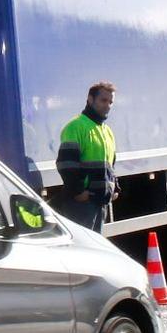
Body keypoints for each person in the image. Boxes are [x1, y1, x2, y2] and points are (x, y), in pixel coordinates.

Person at [57, 81, 120, 232]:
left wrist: (115, 187)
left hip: (100, 202)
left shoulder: (107, 131)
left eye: (111, 102)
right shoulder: (75, 127)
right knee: (81, 251)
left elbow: (110, 165)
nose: (108, 105)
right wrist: (79, 192)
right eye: (103, 100)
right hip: (82, 204)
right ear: (90, 100)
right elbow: (66, 164)